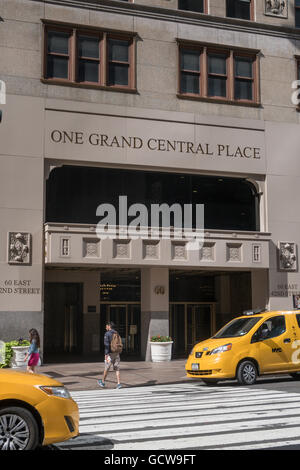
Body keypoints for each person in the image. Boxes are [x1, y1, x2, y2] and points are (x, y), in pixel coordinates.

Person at [98, 322, 122, 389]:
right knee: (117, 368)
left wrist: (106, 354)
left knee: (107, 367)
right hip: (117, 352)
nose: (106, 327)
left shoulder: (107, 334)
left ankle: (102, 382)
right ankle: (119, 383)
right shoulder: (116, 333)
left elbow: (107, 345)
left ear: (109, 326)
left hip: (110, 353)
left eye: (106, 326)